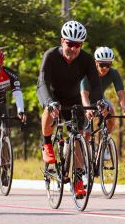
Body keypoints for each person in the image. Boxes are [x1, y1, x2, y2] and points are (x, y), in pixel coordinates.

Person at [36, 20, 106, 197]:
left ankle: (78, 180)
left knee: (77, 138)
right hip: (52, 95)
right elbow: (43, 82)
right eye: (69, 44)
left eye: (77, 45)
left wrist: (98, 101)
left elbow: (96, 85)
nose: (73, 49)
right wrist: (49, 102)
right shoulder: (50, 55)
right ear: (62, 41)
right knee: (50, 109)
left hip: (73, 98)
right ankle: (46, 144)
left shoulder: (87, 59)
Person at [80, 47, 125, 143]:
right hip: (82, 100)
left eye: (108, 65)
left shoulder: (113, 73)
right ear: (95, 62)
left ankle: (105, 142)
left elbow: (121, 93)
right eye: (102, 64)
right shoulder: (88, 72)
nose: (105, 68)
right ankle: (84, 154)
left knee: (110, 110)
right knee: (86, 133)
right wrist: (88, 109)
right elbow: (84, 94)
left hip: (98, 99)